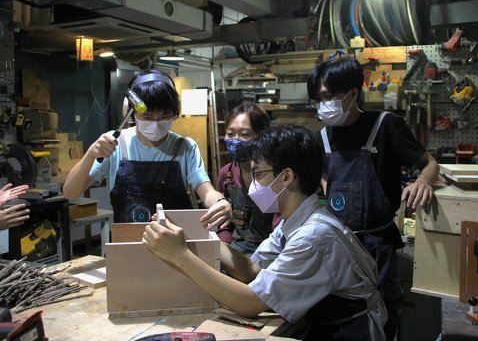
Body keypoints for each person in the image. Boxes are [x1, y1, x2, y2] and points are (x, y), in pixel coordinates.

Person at [143, 125, 387, 340]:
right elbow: (251, 270)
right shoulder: (294, 221)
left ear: (286, 177)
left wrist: (180, 255)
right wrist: (201, 240)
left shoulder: (314, 237)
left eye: (258, 174)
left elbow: (250, 303)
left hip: (349, 332)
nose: (252, 185)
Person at [307, 56, 439, 341]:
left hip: (378, 244)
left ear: (353, 93)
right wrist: (330, 187)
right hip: (338, 244)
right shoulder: (322, 138)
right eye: (318, 99)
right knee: (344, 313)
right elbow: (323, 174)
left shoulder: (385, 125)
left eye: (328, 96)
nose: (323, 105)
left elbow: (429, 162)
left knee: (385, 312)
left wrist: (422, 181)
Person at [63, 69, 231, 228]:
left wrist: (220, 203)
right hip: (129, 241)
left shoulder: (185, 147)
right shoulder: (115, 144)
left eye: (164, 116)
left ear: (175, 113)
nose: (155, 124)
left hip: (175, 243)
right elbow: (70, 192)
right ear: (129, 112)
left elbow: (207, 192)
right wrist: (91, 153)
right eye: (147, 117)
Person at [216, 102, 280, 255]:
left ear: (262, 136)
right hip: (238, 246)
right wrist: (222, 247)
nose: (235, 140)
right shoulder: (227, 174)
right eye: (230, 134)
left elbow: (282, 224)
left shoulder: (275, 174)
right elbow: (225, 225)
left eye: (244, 134)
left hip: (271, 249)